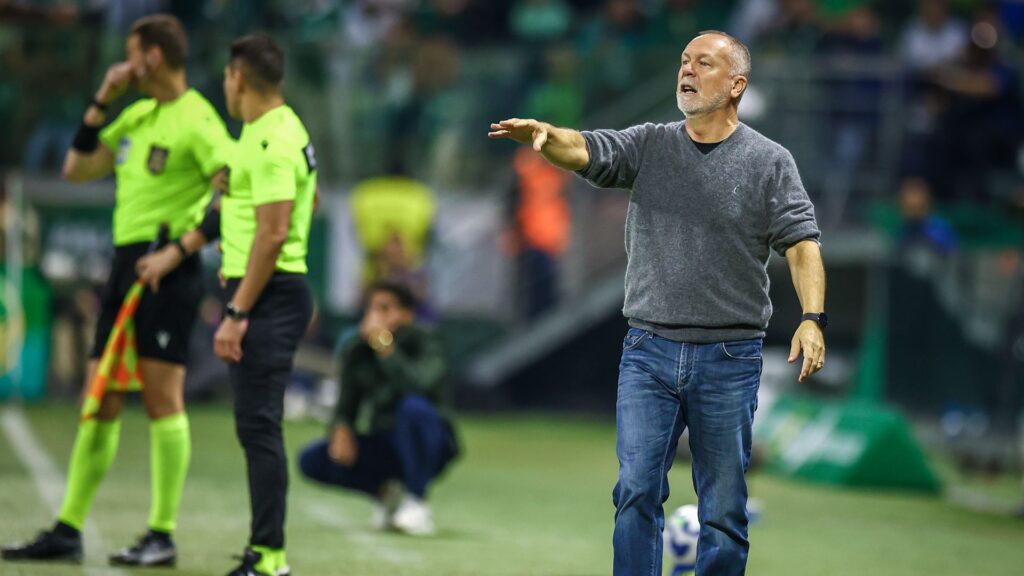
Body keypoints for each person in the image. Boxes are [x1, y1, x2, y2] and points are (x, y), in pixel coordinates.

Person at [488, 30, 827, 576]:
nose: (687, 70)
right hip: (648, 351)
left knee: (723, 510)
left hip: (730, 356)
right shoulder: (649, 143)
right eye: (684, 60)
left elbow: (803, 244)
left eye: (705, 63)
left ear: (737, 84)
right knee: (636, 490)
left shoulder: (770, 162)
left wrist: (812, 318)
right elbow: (586, 148)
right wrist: (547, 136)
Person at [1, 14, 230, 567]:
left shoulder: (198, 119)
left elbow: (232, 190)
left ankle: (162, 532)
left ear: (152, 56)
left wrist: (180, 250)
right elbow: (77, 167)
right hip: (125, 265)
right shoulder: (136, 115)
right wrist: (102, 96)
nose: (124, 63)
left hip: (168, 268)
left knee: (160, 399)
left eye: (131, 54)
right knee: (97, 396)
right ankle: (68, 528)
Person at [298, 281, 457, 536]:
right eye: (371, 308)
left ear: (407, 313)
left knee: (412, 407)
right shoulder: (357, 349)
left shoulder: (427, 340)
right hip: (385, 442)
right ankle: (387, 495)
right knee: (312, 459)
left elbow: (416, 385)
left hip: (431, 442)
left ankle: (417, 501)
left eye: (385, 308)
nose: (376, 316)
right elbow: (346, 404)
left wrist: (384, 345)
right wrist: (340, 428)